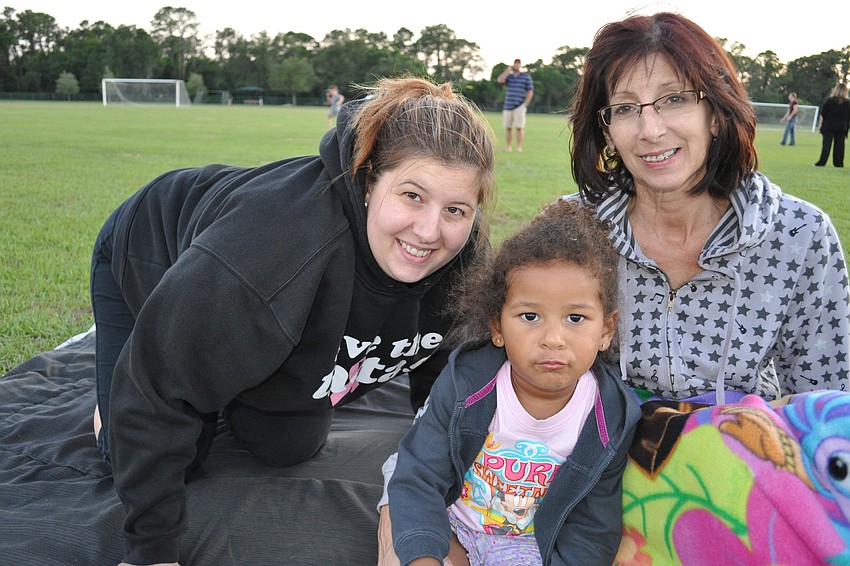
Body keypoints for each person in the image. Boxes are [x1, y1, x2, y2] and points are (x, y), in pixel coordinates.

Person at [89, 75, 496, 566]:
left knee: (286, 446)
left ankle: (228, 369)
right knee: (161, 449)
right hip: (152, 249)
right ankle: (112, 403)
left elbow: (444, 369)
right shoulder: (270, 254)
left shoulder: (462, 255)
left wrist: (445, 478)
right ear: (369, 182)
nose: (430, 231)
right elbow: (155, 386)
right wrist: (152, 552)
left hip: (247, 304)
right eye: (412, 195)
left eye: (455, 209)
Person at [568, 12, 850, 403]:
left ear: (715, 114)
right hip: (608, 442)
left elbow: (829, 403)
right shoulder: (570, 229)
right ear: (608, 131)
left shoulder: (800, 233)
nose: (651, 130)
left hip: (746, 441)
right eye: (626, 108)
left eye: (674, 99)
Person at [387, 199, 641, 566]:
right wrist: (424, 554)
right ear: (497, 326)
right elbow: (419, 475)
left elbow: (593, 528)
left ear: (606, 330)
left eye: (575, 318)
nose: (553, 339)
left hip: (527, 549)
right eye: (530, 316)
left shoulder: (610, 418)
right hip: (450, 526)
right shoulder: (466, 385)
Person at [496, 58, 534, 153]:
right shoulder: (509, 77)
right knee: (508, 127)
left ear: (520, 65)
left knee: (519, 127)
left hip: (520, 105)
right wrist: (508, 70)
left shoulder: (526, 77)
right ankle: (508, 147)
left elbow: (530, 90)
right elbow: (500, 80)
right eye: (515, 63)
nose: (517, 65)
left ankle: (519, 147)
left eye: (518, 63)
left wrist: (525, 103)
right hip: (508, 105)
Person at [814, 82, 850, 167]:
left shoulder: (829, 101)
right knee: (840, 146)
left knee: (826, 145)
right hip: (842, 127)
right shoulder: (848, 103)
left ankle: (822, 162)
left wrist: (820, 125)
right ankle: (838, 163)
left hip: (829, 126)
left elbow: (823, 114)